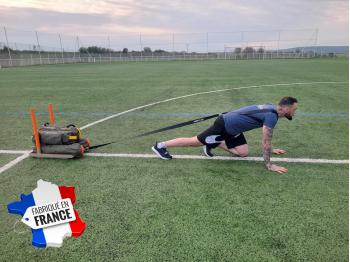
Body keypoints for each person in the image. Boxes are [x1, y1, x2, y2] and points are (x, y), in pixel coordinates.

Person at [152, 96, 298, 174]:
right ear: (285, 108)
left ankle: (215, 142)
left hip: (234, 129)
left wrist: (272, 149)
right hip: (224, 124)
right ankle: (160, 145)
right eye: (294, 109)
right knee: (194, 141)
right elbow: (265, 141)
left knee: (243, 153)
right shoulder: (272, 116)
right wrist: (269, 165)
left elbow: (267, 140)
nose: (294, 112)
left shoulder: (272, 108)